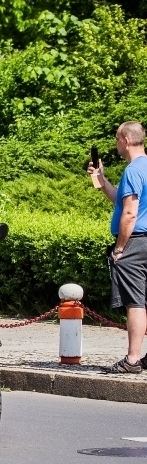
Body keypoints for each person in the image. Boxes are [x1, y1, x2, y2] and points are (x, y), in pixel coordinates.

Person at [87, 121, 147, 374]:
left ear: (125, 139)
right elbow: (121, 202)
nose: (115, 143)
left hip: (135, 243)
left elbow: (130, 214)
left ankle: (132, 360)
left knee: (135, 302)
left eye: (116, 138)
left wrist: (120, 248)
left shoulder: (133, 170)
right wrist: (100, 179)